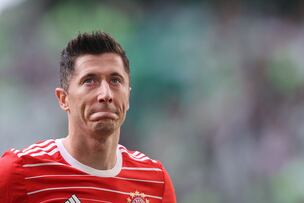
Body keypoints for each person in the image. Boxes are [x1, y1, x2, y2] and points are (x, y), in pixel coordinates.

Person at [0, 31, 176, 203]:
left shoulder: (155, 181)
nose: (105, 94)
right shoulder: (19, 172)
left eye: (115, 80)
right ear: (63, 99)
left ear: (128, 96)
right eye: (89, 81)